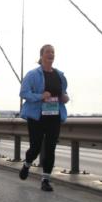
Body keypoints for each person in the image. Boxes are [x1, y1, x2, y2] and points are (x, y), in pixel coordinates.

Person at [18, 44, 69, 192]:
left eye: (53, 52)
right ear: (41, 55)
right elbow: (23, 93)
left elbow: (63, 92)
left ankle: (45, 180)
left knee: (50, 148)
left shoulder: (60, 75)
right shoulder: (33, 74)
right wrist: (40, 96)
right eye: (48, 52)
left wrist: (64, 97)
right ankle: (27, 164)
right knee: (35, 148)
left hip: (54, 116)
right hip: (37, 117)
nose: (51, 54)